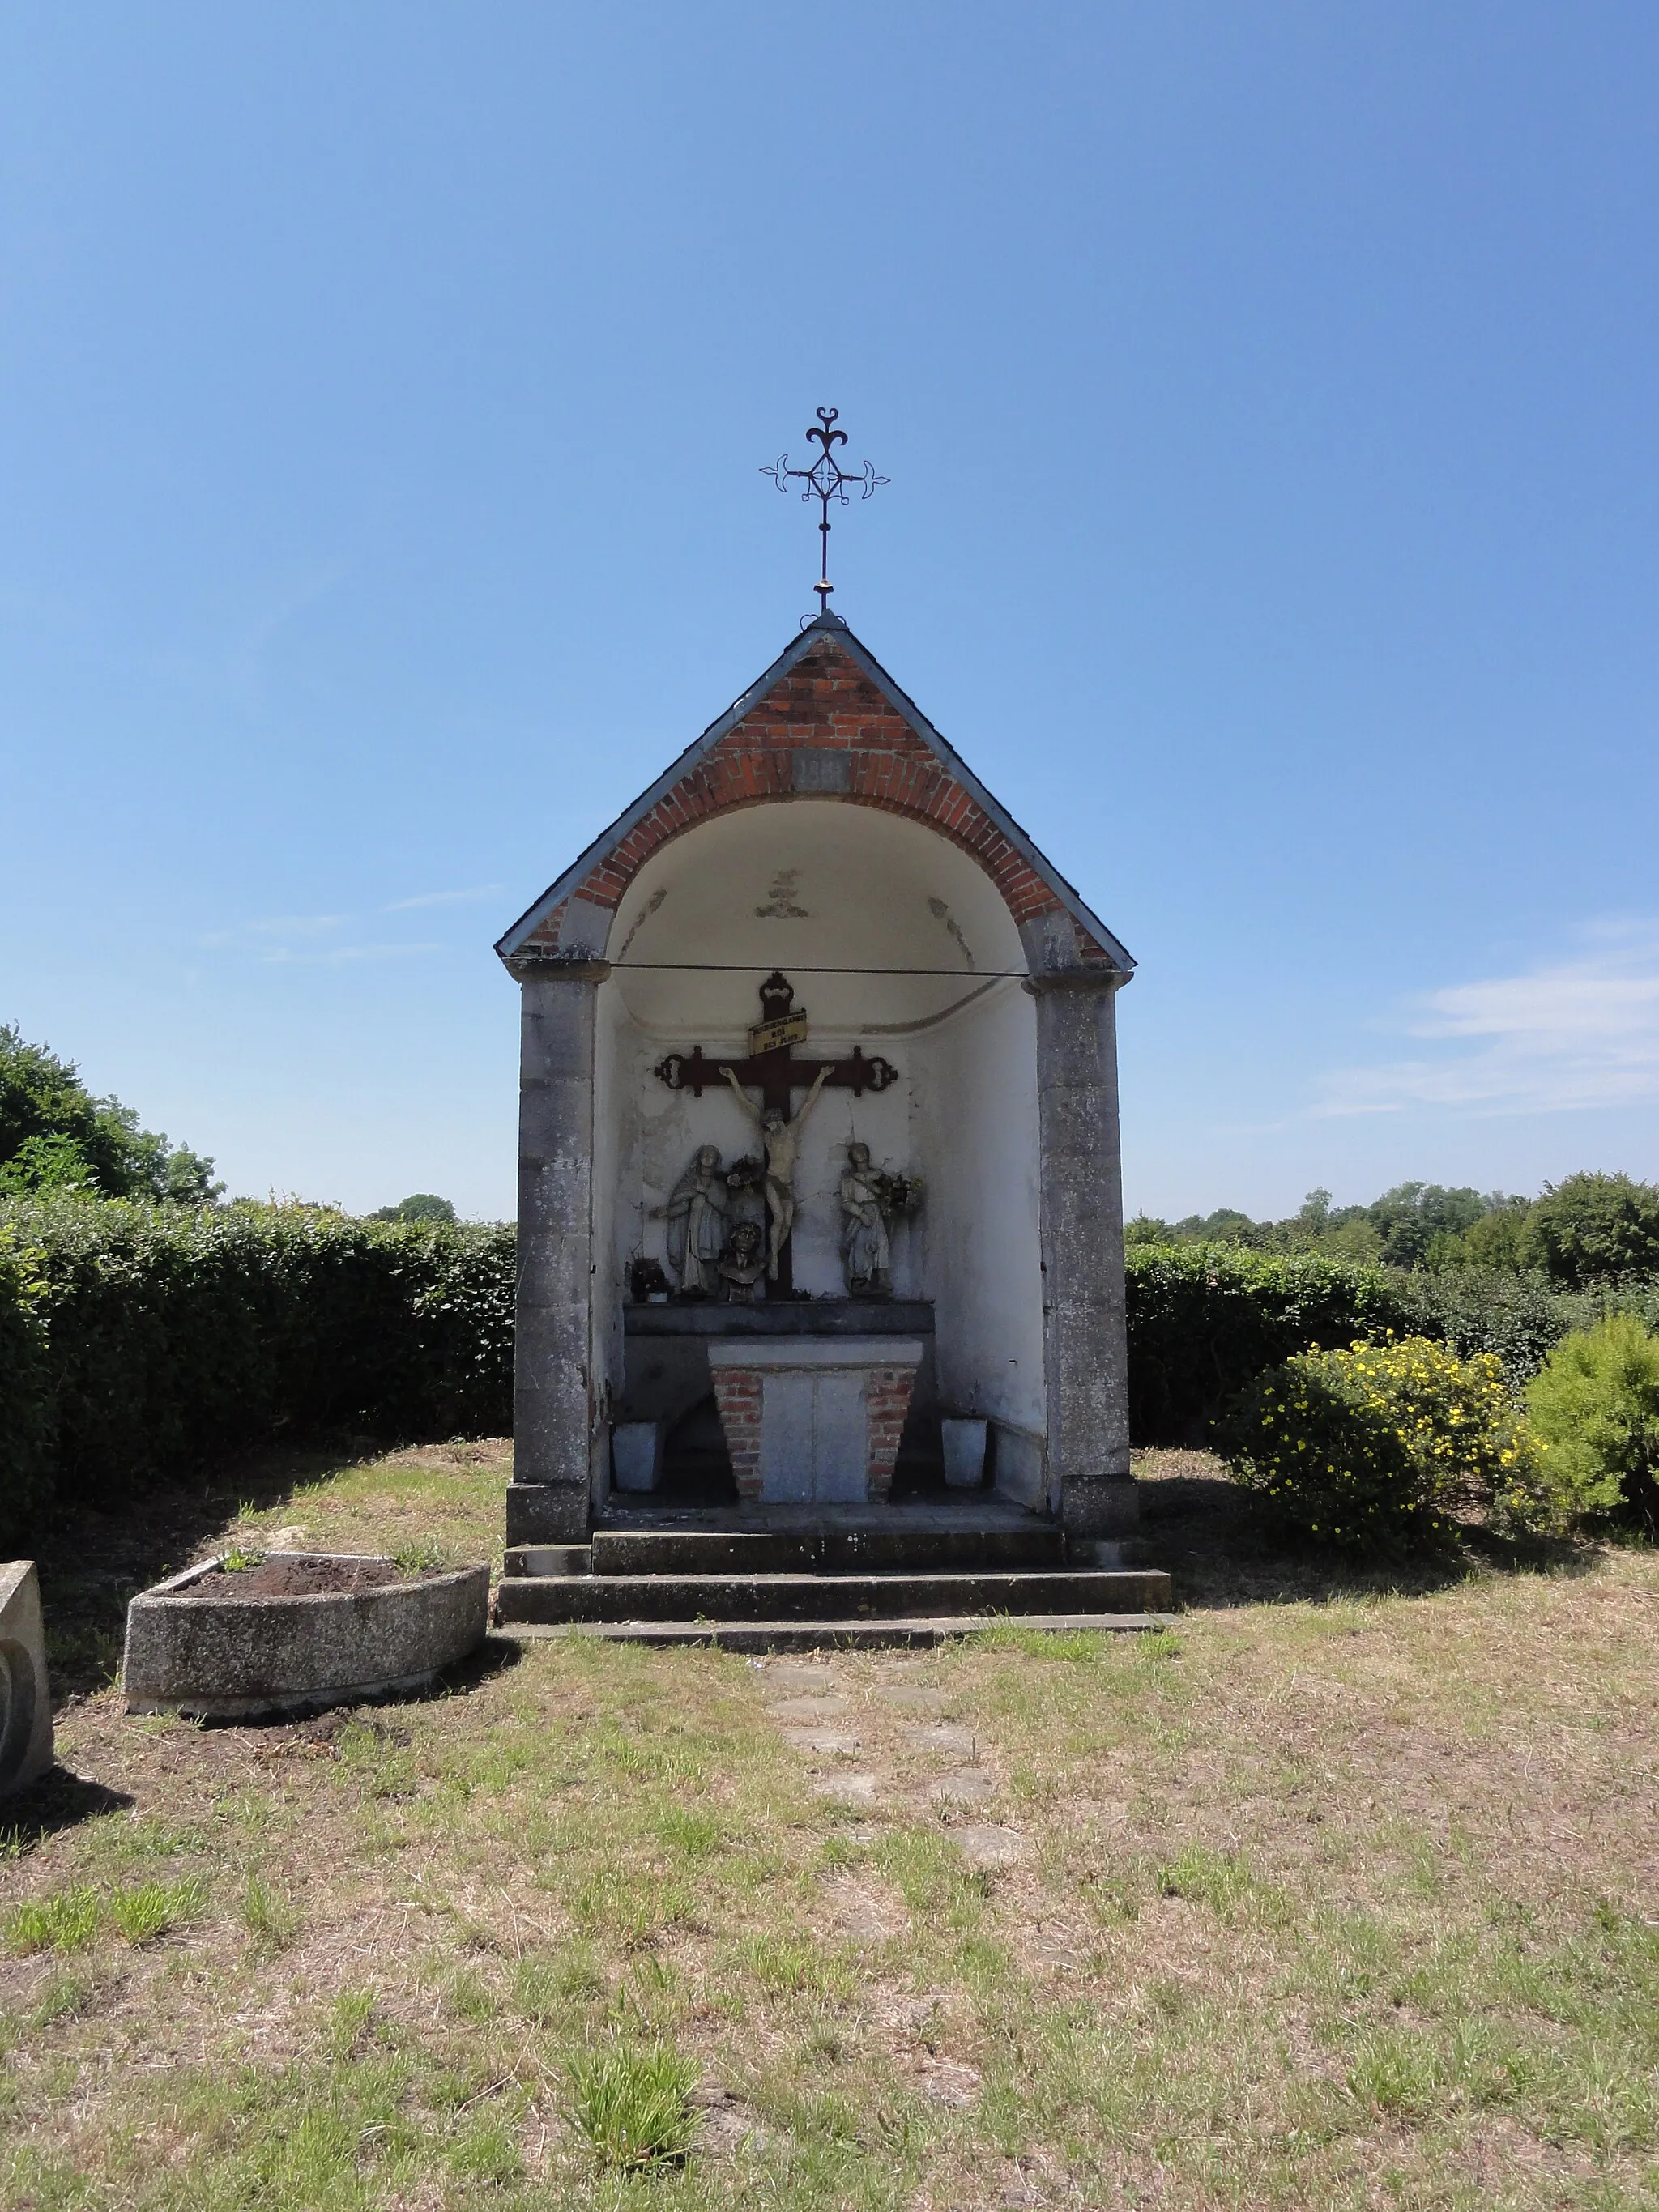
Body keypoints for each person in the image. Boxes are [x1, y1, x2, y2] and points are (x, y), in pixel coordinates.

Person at [719, 1062, 830, 1281]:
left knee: (788, 1221)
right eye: (767, 1124)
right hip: (772, 1180)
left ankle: (770, 1258)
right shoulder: (768, 1138)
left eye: (773, 1122)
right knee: (778, 1219)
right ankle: (774, 1265)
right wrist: (732, 1078)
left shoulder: (792, 1130)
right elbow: (746, 1103)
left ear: (778, 1120)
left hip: (787, 1184)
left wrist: (821, 1076)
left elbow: (809, 1102)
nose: (771, 1126)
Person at [663, 1144, 728, 1297]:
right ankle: (692, 1285)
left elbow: (724, 1205)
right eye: (704, 1155)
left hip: (711, 1226)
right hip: (692, 1224)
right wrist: (694, 1190)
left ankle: (711, 1287)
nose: (707, 1158)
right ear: (698, 1158)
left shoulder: (719, 1180)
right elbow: (676, 1199)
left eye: (711, 1156)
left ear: (716, 1160)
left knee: (710, 1255)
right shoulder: (690, 1178)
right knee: (692, 1254)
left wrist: (705, 1191)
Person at [839, 1140, 893, 1295]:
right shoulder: (848, 1179)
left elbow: (886, 1193)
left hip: (876, 1212)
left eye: (863, 1150)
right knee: (861, 1246)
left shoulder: (878, 1175)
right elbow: (846, 1201)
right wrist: (861, 1214)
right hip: (860, 1215)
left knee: (881, 1243)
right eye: (857, 1151)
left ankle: (881, 1277)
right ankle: (862, 1280)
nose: (861, 1153)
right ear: (852, 1157)